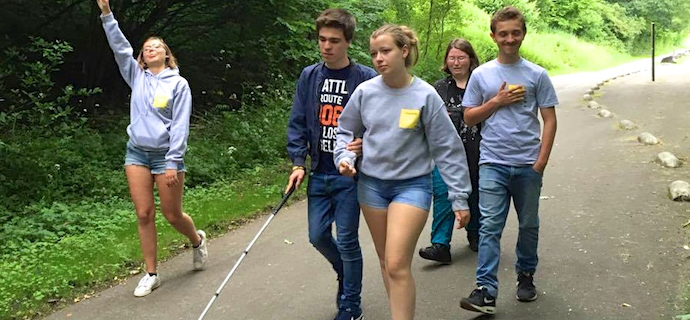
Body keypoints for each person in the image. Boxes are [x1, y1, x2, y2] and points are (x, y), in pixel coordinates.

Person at [335, 24, 472, 320]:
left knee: (396, 263)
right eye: (374, 53)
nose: (378, 58)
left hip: (412, 187)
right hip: (371, 187)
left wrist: (459, 197)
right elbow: (346, 130)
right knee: (386, 262)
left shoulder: (425, 95)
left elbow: (447, 148)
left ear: (404, 51)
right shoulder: (365, 92)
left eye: (386, 51)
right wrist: (344, 157)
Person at [96, 0, 208, 297]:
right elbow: (119, 47)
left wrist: (173, 161)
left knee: (172, 215)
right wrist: (107, 14)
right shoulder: (137, 77)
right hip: (137, 153)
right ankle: (151, 273)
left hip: (165, 157)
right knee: (144, 213)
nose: (151, 49)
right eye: (146, 48)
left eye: (157, 46)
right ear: (142, 58)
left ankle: (196, 241)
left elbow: (181, 126)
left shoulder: (178, 84)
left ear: (167, 54)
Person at [458, 6, 558, 315]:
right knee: (489, 226)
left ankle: (525, 275)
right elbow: (469, 116)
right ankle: (486, 290)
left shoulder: (537, 74)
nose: (510, 39)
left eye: (515, 33)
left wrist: (540, 161)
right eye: (503, 34)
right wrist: (496, 102)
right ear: (493, 36)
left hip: (527, 163)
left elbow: (549, 119)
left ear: (523, 34)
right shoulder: (482, 74)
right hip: (492, 163)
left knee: (528, 224)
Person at [285, 8, 377, 320]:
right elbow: (297, 122)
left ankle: (351, 304)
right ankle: (346, 274)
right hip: (320, 172)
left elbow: (383, 122)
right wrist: (298, 163)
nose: (327, 46)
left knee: (349, 240)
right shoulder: (310, 76)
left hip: (351, 175)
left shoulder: (365, 78)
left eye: (334, 41)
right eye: (322, 40)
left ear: (348, 41)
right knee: (317, 236)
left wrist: (368, 142)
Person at [418, 38, 482, 264]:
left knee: (475, 193)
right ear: (446, 61)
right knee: (443, 194)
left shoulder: (481, 83)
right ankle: (440, 245)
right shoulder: (438, 88)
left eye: (461, 57)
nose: (456, 62)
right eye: (452, 58)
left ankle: (476, 234)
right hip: (444, 154)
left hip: (478, 150)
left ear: (470, 59)